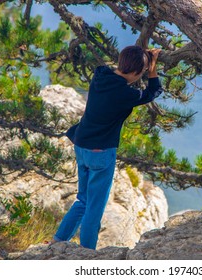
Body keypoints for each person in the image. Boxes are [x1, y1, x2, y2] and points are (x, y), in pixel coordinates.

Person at [52, 46, 162, 249]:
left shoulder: (100, 76)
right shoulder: (124, 93)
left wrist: (140, 56)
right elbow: (152, 92)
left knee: (83, 200)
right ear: (136, 72)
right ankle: (87, 253)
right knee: (94, 208)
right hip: (100, 153)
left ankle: (58, 240)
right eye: (143, 71)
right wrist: (153, 67)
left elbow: (120, 70)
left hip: (81, 145)